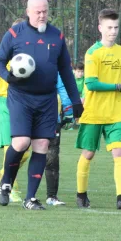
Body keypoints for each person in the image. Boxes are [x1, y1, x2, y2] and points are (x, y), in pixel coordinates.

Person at [0, 0, 82, 210]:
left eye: (45, 11)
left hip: (47, 99)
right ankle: (6, 181)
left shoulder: (56, 36)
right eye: (37, 12)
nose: (41, 15)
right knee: (22, 142)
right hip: (20, 97)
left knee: (42, 145)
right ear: (28, 12)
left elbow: (66, 72)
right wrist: (9, 77)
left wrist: (75, 101)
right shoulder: (15, 33)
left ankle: (30, 198)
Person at [75, 9, 121, 210]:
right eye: (109, 27)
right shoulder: (93, 53)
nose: (113, 31)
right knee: (89, 153)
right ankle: (81, 194)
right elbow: (91, 84)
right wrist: (117, 86)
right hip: (93, 111)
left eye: (116, 27)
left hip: (116, 112)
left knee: (119, 152)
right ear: (100, 28)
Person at [0, 19, 29, 203]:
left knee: (25, 151)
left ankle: (2, 174)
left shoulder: (30, 57)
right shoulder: (1, 56)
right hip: (4, 103)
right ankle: (13, 189)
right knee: (8, 147)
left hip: (25, 103)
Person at [45, 76, 73, 206]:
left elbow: (62, 88)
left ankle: (51, 196)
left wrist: (68, 111)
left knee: (51, 156)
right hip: (33, 116)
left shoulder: (54, 67)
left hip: (48, 118)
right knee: (23, 153)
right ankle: (7, 183)